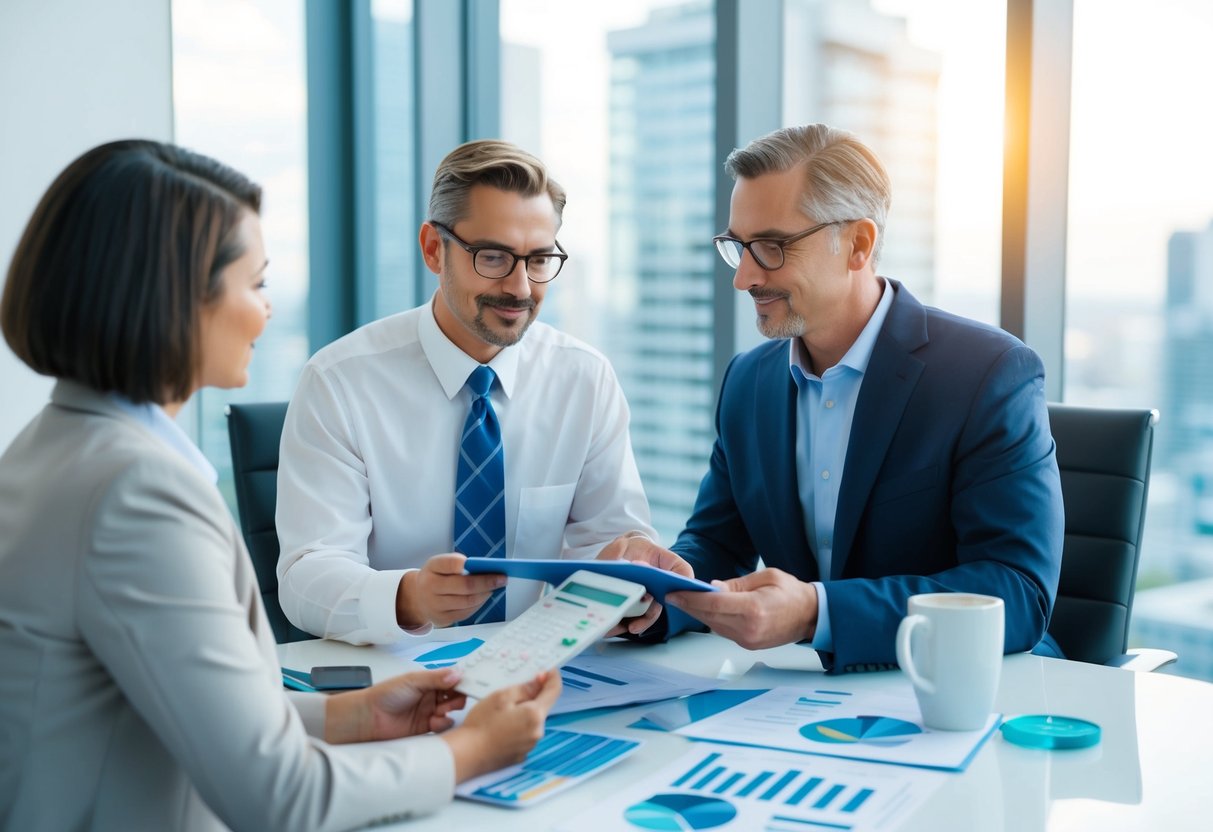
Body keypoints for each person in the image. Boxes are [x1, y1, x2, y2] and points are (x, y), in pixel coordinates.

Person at [0, 140, 561, 831]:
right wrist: (469, 751)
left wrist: (350, 714)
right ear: (175, 298)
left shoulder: (55, 446)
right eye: (256, 282)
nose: (267, 311)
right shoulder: (136, 493)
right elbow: (279, 797)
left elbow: (177, 704)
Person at [623, 124, 1064, 673]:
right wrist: (656, 592)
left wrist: (816, 612)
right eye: (739, 247)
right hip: (803, 698)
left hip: (967, 690)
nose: (745, 279)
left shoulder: (988, 374)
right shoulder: (749, 381)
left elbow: (1018, 591)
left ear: (858, 244)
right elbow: (716, 547)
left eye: (772, 247)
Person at [276, 139, 660, 644]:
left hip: (539, 672)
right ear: (434, 249)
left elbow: (615, 541)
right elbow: (306, 575)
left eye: (540, 259)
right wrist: (408, 597)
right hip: (393, 671)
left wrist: (636, 567)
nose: (521, 287)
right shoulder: (341, 381)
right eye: (494, 257)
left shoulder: (584, 379)